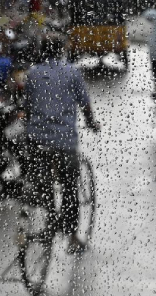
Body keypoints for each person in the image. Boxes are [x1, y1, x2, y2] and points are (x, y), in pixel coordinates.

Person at [23, 33, 100, 254]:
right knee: (69, 188)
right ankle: (73, 237)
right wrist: (92, 123)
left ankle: (48, 222)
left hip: (36, 138)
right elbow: (84, 104)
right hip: (64, 140)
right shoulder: (72, 72)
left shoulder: (34, 73)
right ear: (61, 51)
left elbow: (28, 105)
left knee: (44, 185)